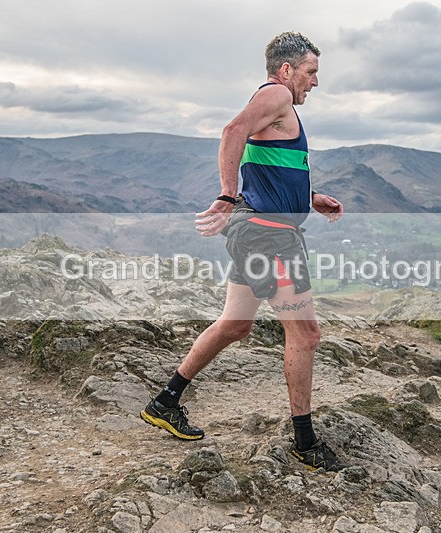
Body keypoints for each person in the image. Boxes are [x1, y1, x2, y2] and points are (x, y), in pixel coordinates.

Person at [141, 31, 346, 472]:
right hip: (270, 236)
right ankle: (305, 443)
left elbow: (271, 165)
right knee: (305, 335)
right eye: (311, 73)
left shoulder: (276, 108)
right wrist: (226, 194)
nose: (315, 82)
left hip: (260, 231)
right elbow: (233, 130)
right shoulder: (276, 95)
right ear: (287, 70)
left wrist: (311, 198)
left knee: (234, 325)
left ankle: (164, 402)